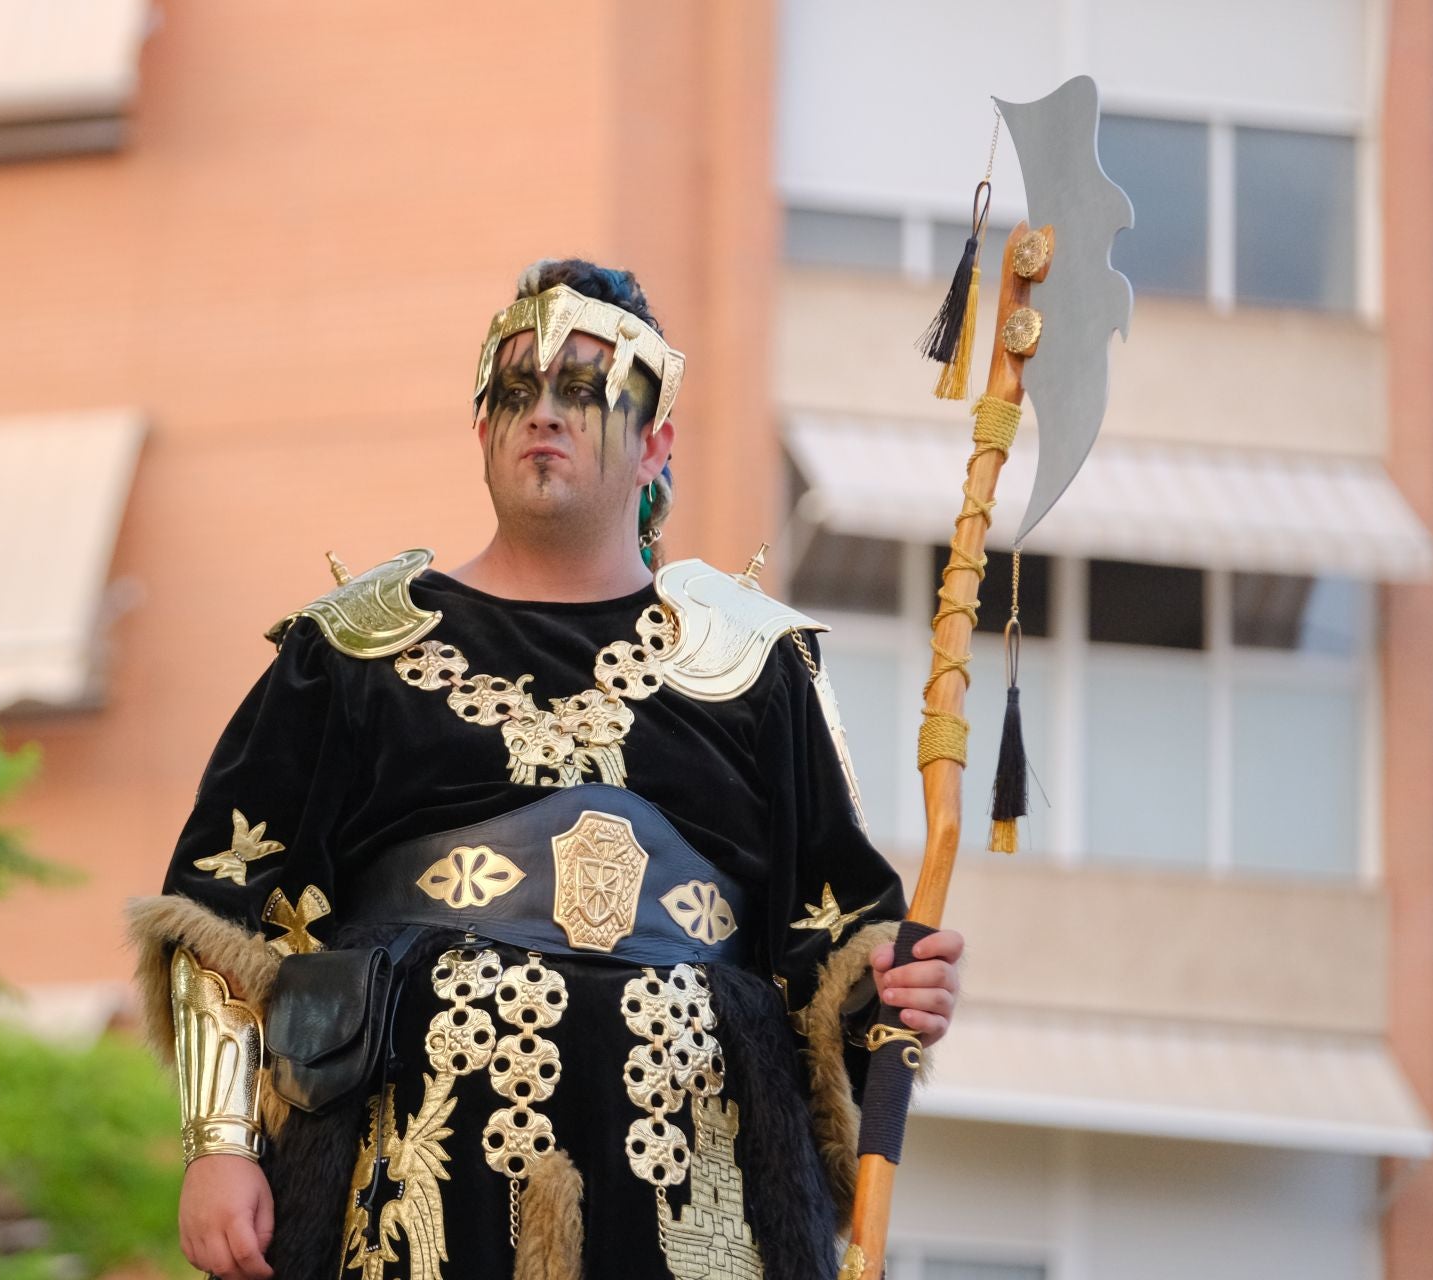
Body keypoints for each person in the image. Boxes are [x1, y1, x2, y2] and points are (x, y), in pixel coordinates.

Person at [129, 259, 964, 1280]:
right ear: (481, 428)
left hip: (689, 1162)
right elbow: (221, 900)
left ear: (656, 439)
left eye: (583, 390)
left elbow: (828, 934)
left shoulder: (756, 665)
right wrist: (218, 1145)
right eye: (516, 391)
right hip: (416, 1166)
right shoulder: (351, 651)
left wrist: (893, 990)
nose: (545, 415)